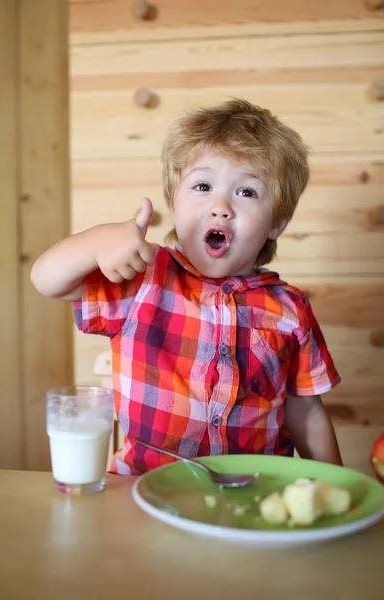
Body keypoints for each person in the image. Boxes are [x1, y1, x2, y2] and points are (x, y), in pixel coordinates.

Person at [31, 98, 343, 475]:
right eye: (202, 185)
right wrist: (98, 241)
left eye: (246, 192)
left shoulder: (290, 310)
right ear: (174, 202)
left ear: (276, 223)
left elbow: (306, 413)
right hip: (142, 493)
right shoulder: (144, 278)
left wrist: (338, 488)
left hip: (251, 498)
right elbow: (46, 280)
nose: (221, 206)